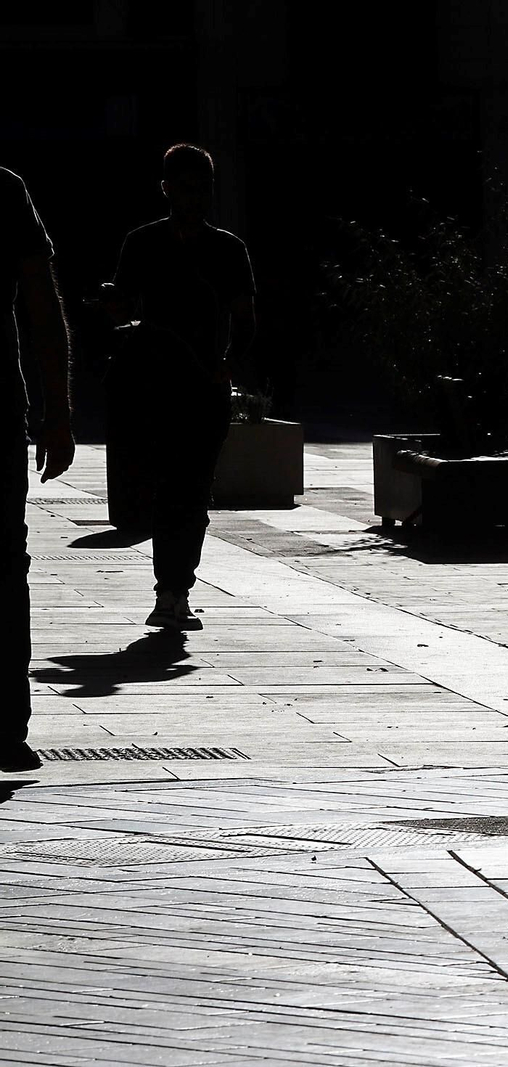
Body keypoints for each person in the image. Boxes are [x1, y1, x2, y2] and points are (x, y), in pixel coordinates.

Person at [99, 144, 256, 629]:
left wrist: (227, 366)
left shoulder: (228, 249)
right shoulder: (142, 244)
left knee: (191, 490)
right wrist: (113, 307)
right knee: (169, 488)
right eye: (187, 186)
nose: (196, 196)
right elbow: (122, 310)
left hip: (204, 387)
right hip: (155, 386)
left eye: (203, 187)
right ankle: (172, 589)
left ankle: (175, 588)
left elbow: (245, 319)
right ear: (166, 188)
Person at [1, 167, 75, 773]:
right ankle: (4, 725)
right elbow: (42, 306)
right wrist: (58, 413)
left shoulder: (5, 190)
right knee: (4, 566)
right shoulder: (2, 189)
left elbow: (43, 305)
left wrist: (58, 412)